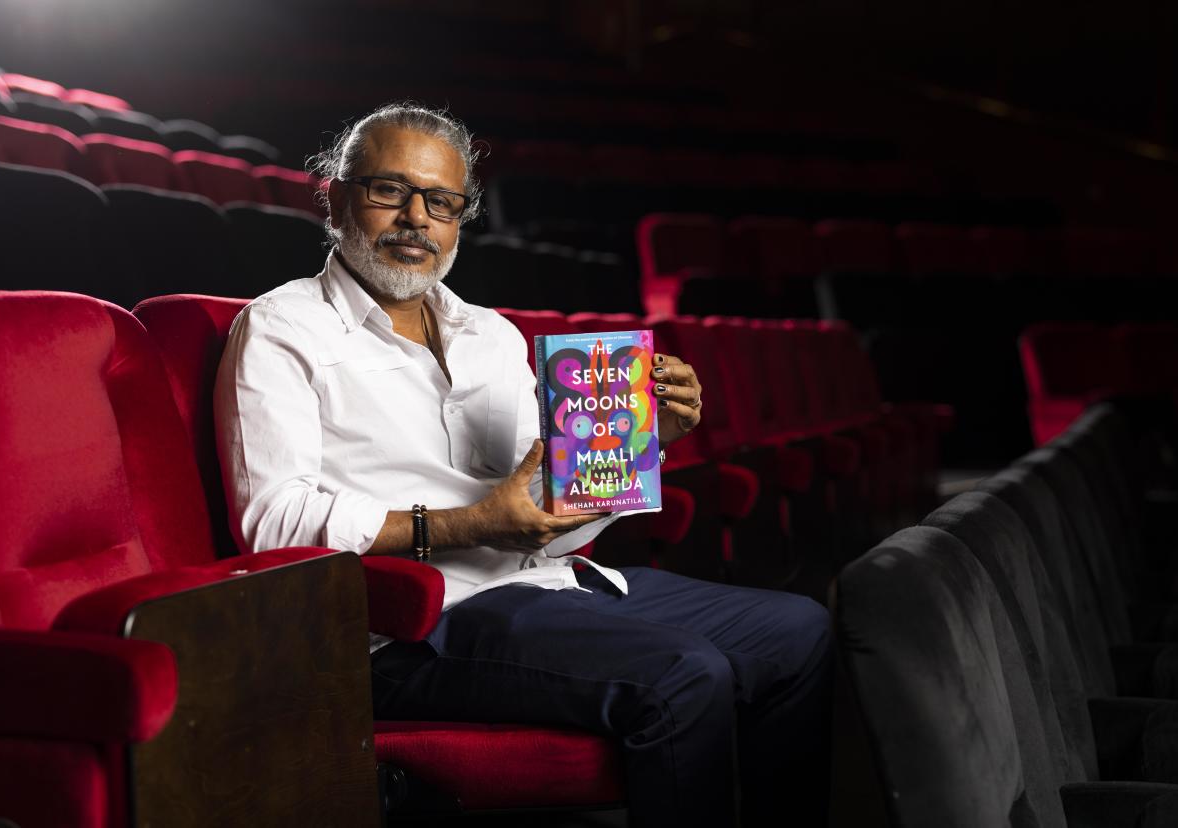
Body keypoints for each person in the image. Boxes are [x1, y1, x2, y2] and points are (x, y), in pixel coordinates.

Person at [214, 102, 833, 827]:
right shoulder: (280, 326)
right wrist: (468, 523)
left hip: (552, 585)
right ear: (334, 195)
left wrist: (643, 443)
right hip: (417, 624)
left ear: (460, 217)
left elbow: (548, 524)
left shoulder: (494, 335)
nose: (416, 217)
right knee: (684, 675)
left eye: (440, 201)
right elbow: (273, 524)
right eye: (389, 190)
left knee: (797, 631)